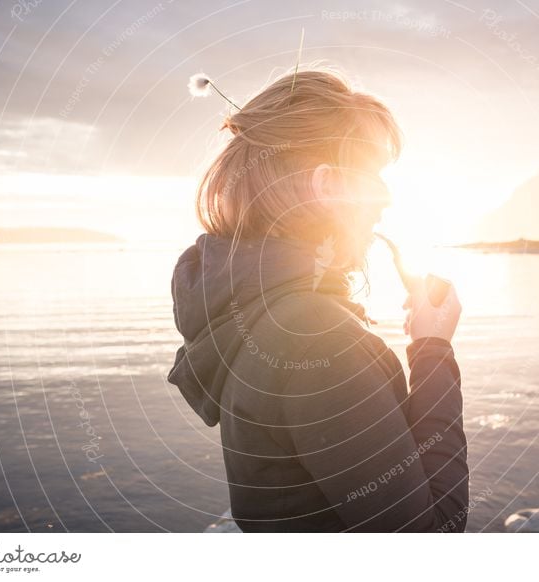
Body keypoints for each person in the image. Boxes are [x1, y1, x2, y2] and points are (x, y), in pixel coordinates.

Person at [168, 69, 468, 532]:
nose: (385, 202)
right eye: (373, 179)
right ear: (328, 187)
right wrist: (432, 350)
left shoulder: (254, 312)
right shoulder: (317, 342)